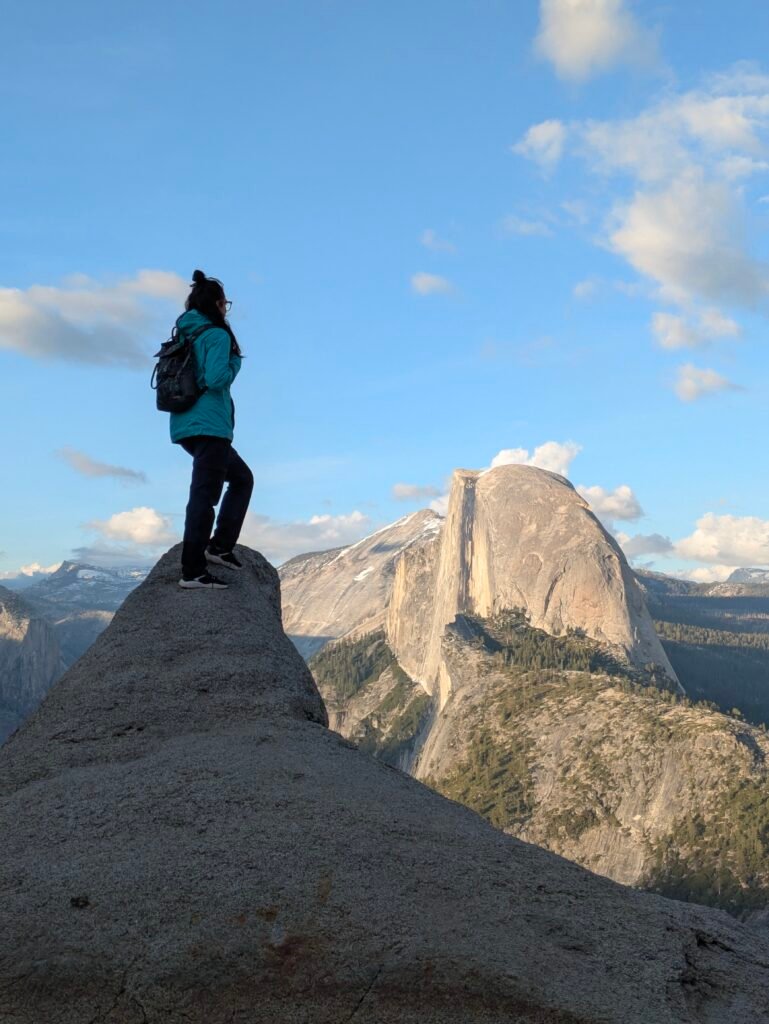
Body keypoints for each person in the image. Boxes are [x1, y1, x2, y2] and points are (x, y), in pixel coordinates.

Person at [170, 270, 254, 590]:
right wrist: (235, 363)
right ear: (218, 304)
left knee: (241, 478)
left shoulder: (184, 333)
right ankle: (193, 570)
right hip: (210, 425)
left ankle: (219, 546)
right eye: (225, 304)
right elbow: (217, 377)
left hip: (185, 423)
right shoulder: (216, 336)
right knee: (204, 496)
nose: (226, 310)